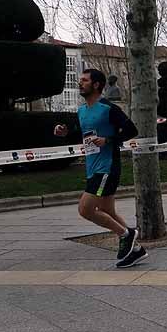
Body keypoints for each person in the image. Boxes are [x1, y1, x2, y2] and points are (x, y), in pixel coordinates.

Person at [54, 69, 144, 268]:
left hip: (107, 168)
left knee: (85, 209)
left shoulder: (108, 108)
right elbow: (82, 134)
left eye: (84, 80)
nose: (80, 83)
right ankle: (136, 250)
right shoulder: (82, 110)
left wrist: (108, 140)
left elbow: (132, 130)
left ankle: (126, 234)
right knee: (107, 210)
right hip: (92, 166)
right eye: (80, 80)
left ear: (96, 85)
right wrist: (65, 132)